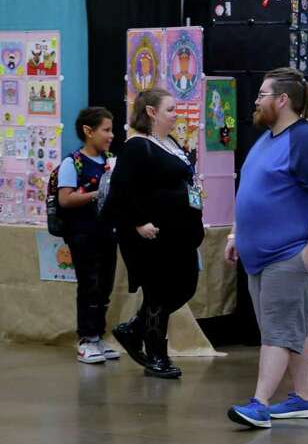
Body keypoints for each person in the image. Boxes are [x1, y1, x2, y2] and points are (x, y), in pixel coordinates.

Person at [226, 69, 308, 428]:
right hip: (263, 255)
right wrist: (236, 234)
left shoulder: (306, 140)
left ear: (283, 100)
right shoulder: (267, 139)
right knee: (288, 328)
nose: (256, 101)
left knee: (279, 329)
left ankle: (260, 404)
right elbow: (251, 190)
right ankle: (304, 399)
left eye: (263, 94)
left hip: (292, 253)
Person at [106, 88, 203, 378]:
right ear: (151, 112)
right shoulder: (138, 146)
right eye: (170, 109)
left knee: (185, 285)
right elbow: (121, 190)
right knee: (159, 294)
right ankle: (157, 356)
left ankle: (133, 329)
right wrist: (138, 222)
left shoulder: (169, 142)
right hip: (155, 237)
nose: (176, 114)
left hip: (180, 235)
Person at [57, 107, 119, 364]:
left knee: (105, 286)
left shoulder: (110, 161)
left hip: (107, 234)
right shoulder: (73, 163)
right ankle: (86, 338)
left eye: (111, 129)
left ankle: (98, 337)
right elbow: (65, 199)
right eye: (106, 130)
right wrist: (97, 194)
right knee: (89, 285)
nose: (111, 135)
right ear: (88, 131)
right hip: (83, 235)